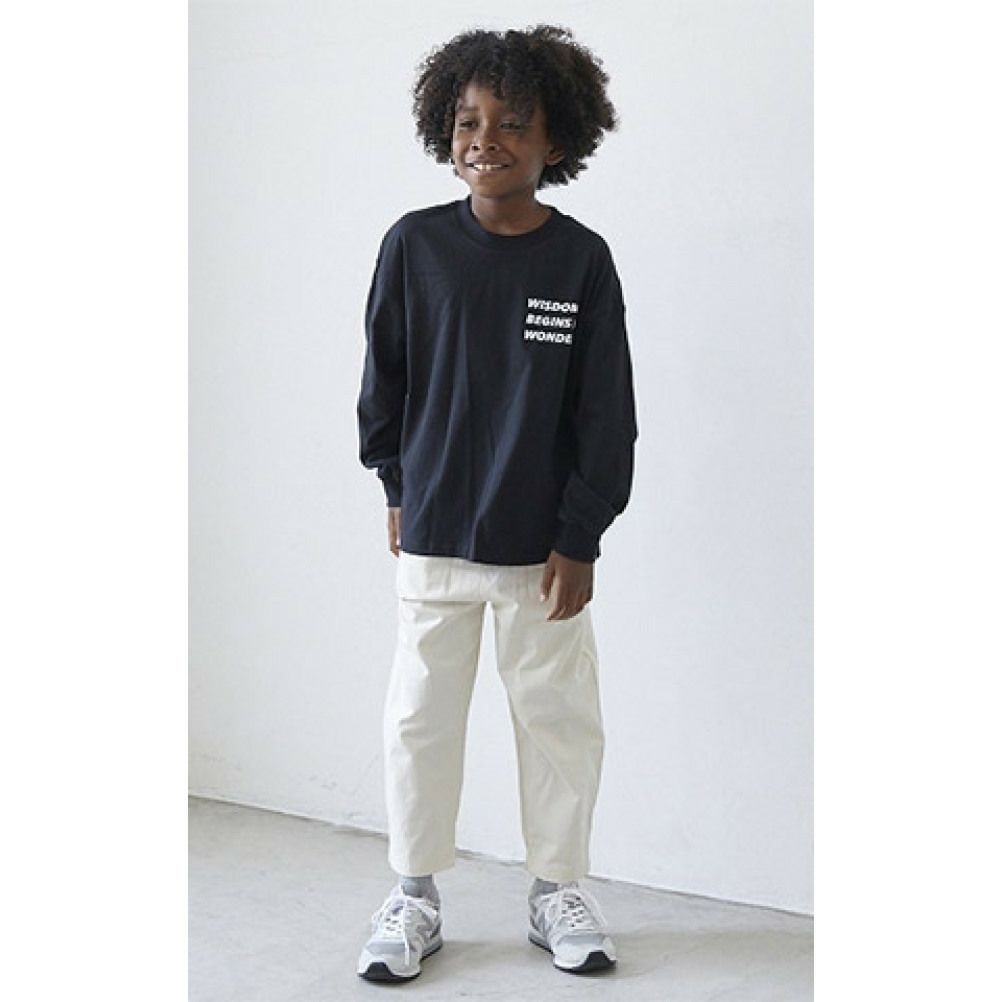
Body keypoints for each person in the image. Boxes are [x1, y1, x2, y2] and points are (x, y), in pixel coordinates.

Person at [355, 24, 638, 982]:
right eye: (469, 121)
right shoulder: (415, 246)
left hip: (542, 550)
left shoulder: (581, 261)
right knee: (419, 719)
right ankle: (414, 894)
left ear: (556, 141)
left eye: (514, 123)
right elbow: (385, 380)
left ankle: (556, 889)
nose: (488, 140)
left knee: (558, 720)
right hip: (434, 534)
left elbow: (606, 410)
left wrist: (581, 534)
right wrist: (397, 485)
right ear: (445, 129)